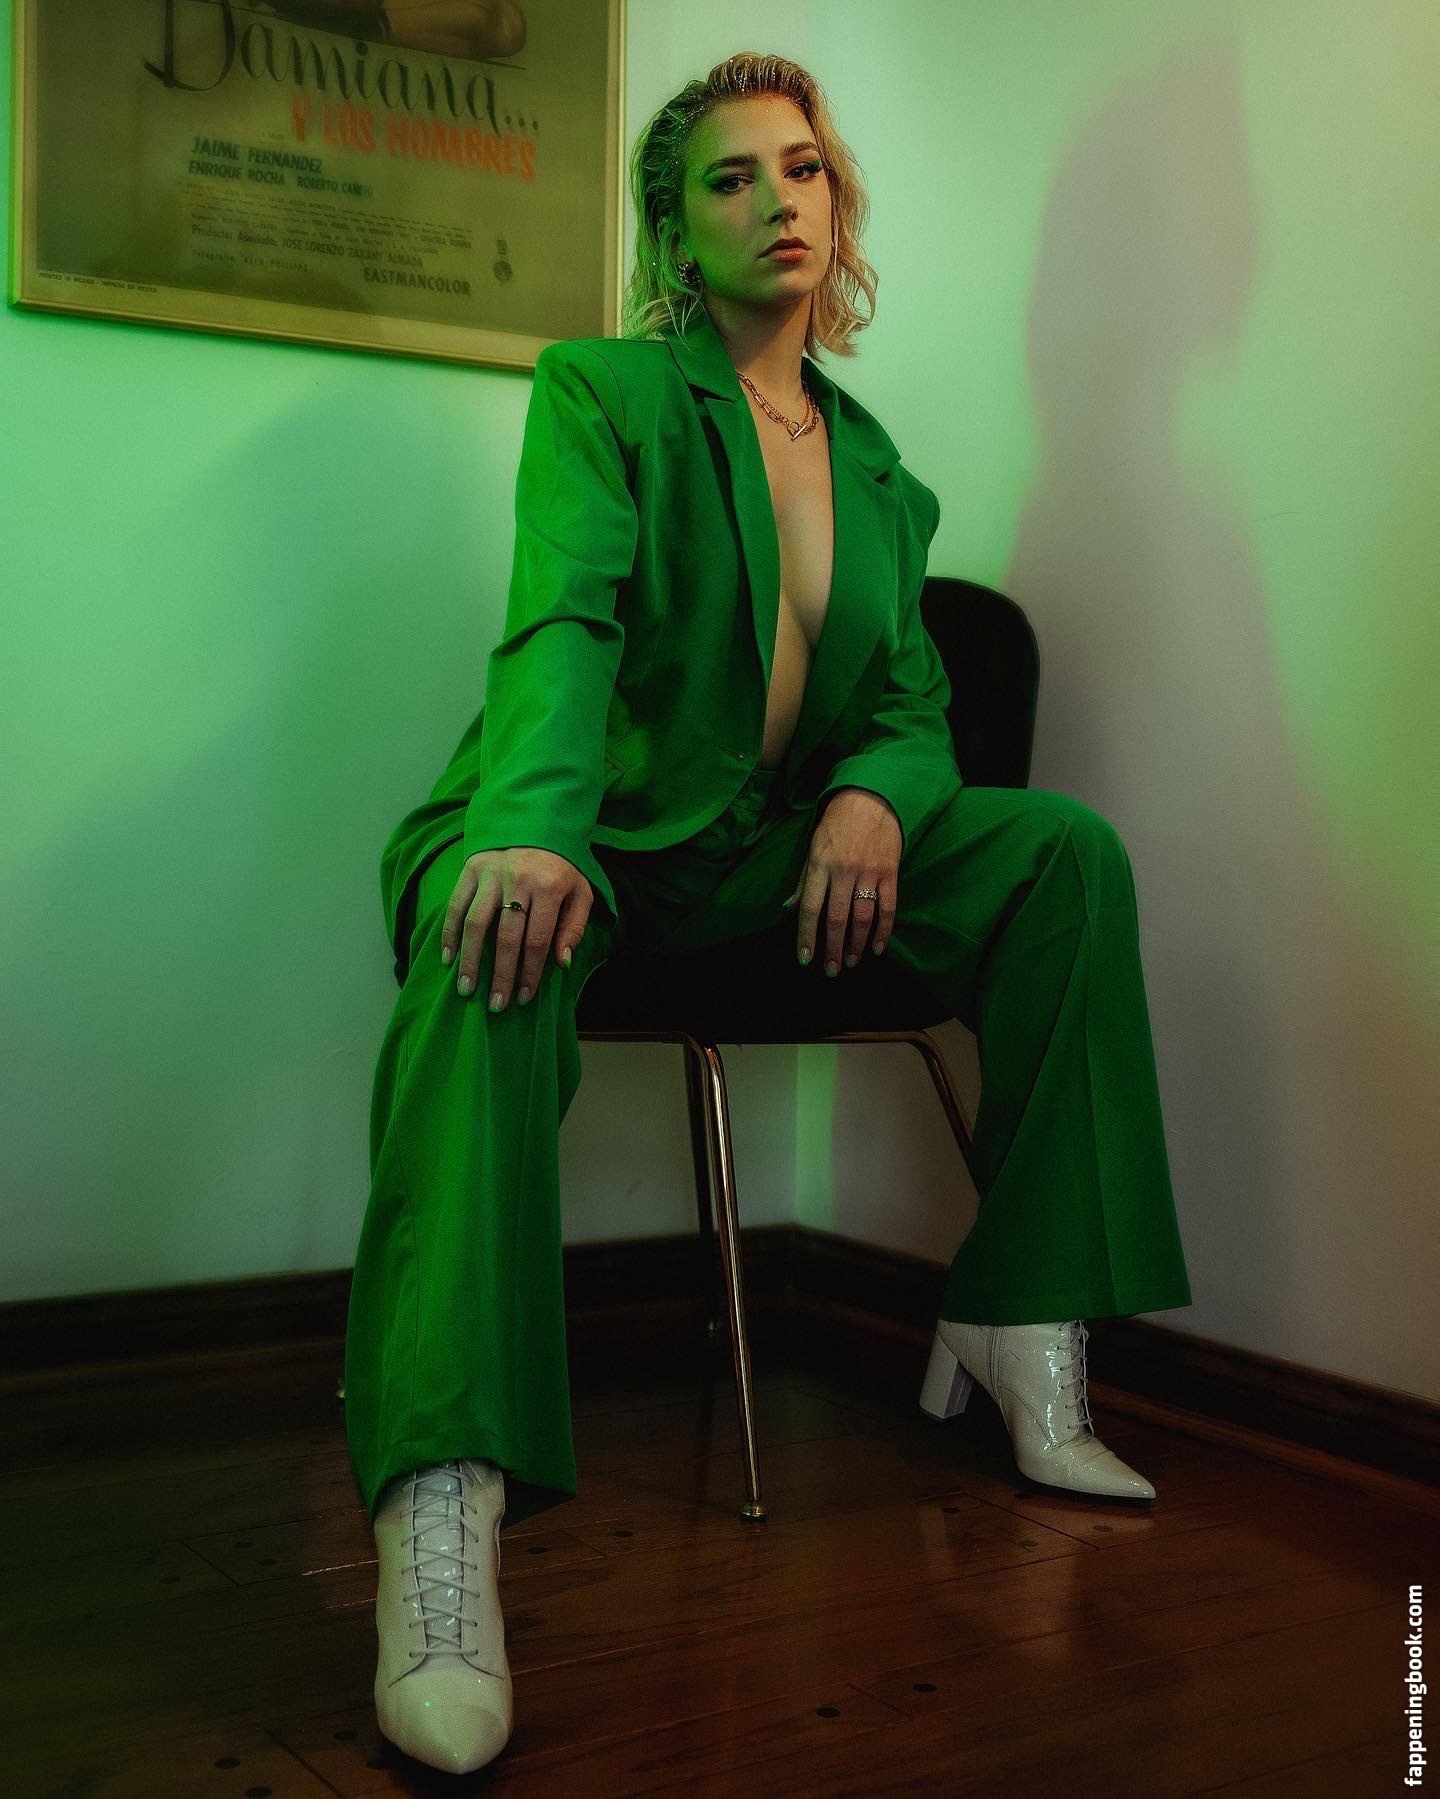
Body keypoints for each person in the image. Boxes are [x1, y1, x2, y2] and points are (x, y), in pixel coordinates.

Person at [344, 49, 1194, 1778]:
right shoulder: (605, 392)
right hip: (580, 830)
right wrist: (529, 833)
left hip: (759, 856)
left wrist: (878, 793)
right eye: (728, 178)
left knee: (1065, 857)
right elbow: (565, 621)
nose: (775, 199)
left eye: (800, 167)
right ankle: (441, 1500)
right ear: (677, 229)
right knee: (490, 948)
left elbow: (906, 699)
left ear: (836, 200)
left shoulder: (878, 467)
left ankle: (1024, 1313)